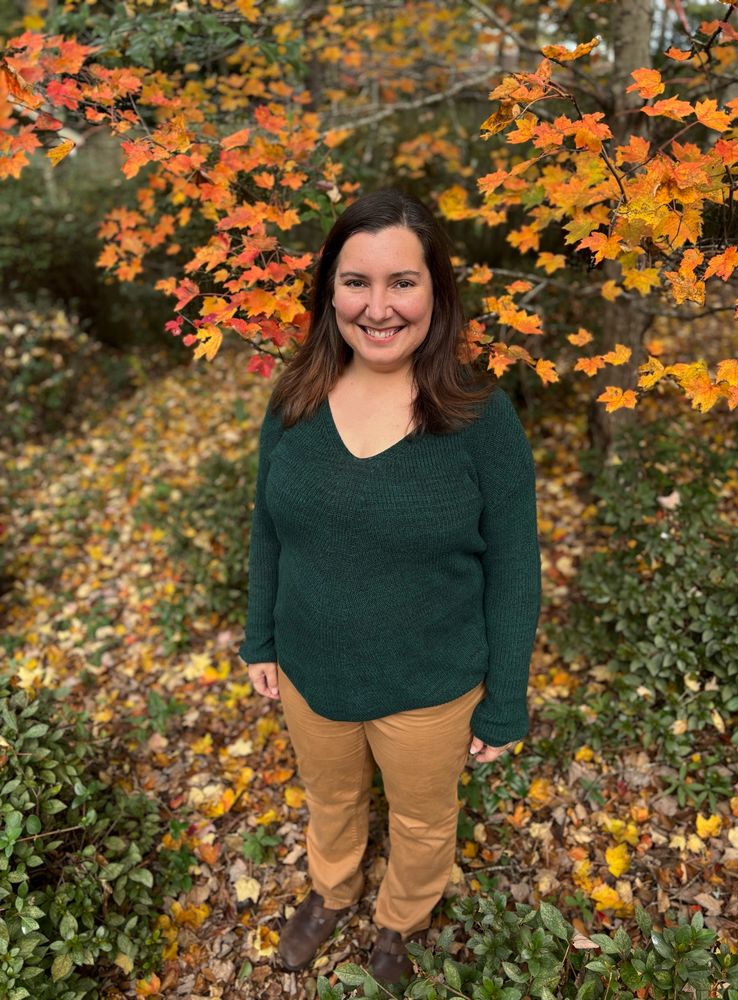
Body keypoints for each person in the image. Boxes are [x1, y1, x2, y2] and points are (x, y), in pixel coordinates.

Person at [239, 187, 542, 986]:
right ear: (329, 292)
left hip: (429, 688)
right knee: (330, 799)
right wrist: (261, 638)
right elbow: (268, 527)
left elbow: (515, 565)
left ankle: (400, 921)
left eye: (402, 282)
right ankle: (331, 891)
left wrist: (506, 697)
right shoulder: (295, 401)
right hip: (310, 672)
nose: (378, 308)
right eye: (356, 282)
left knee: (421, 818)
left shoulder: (479, 417)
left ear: (435, 291)